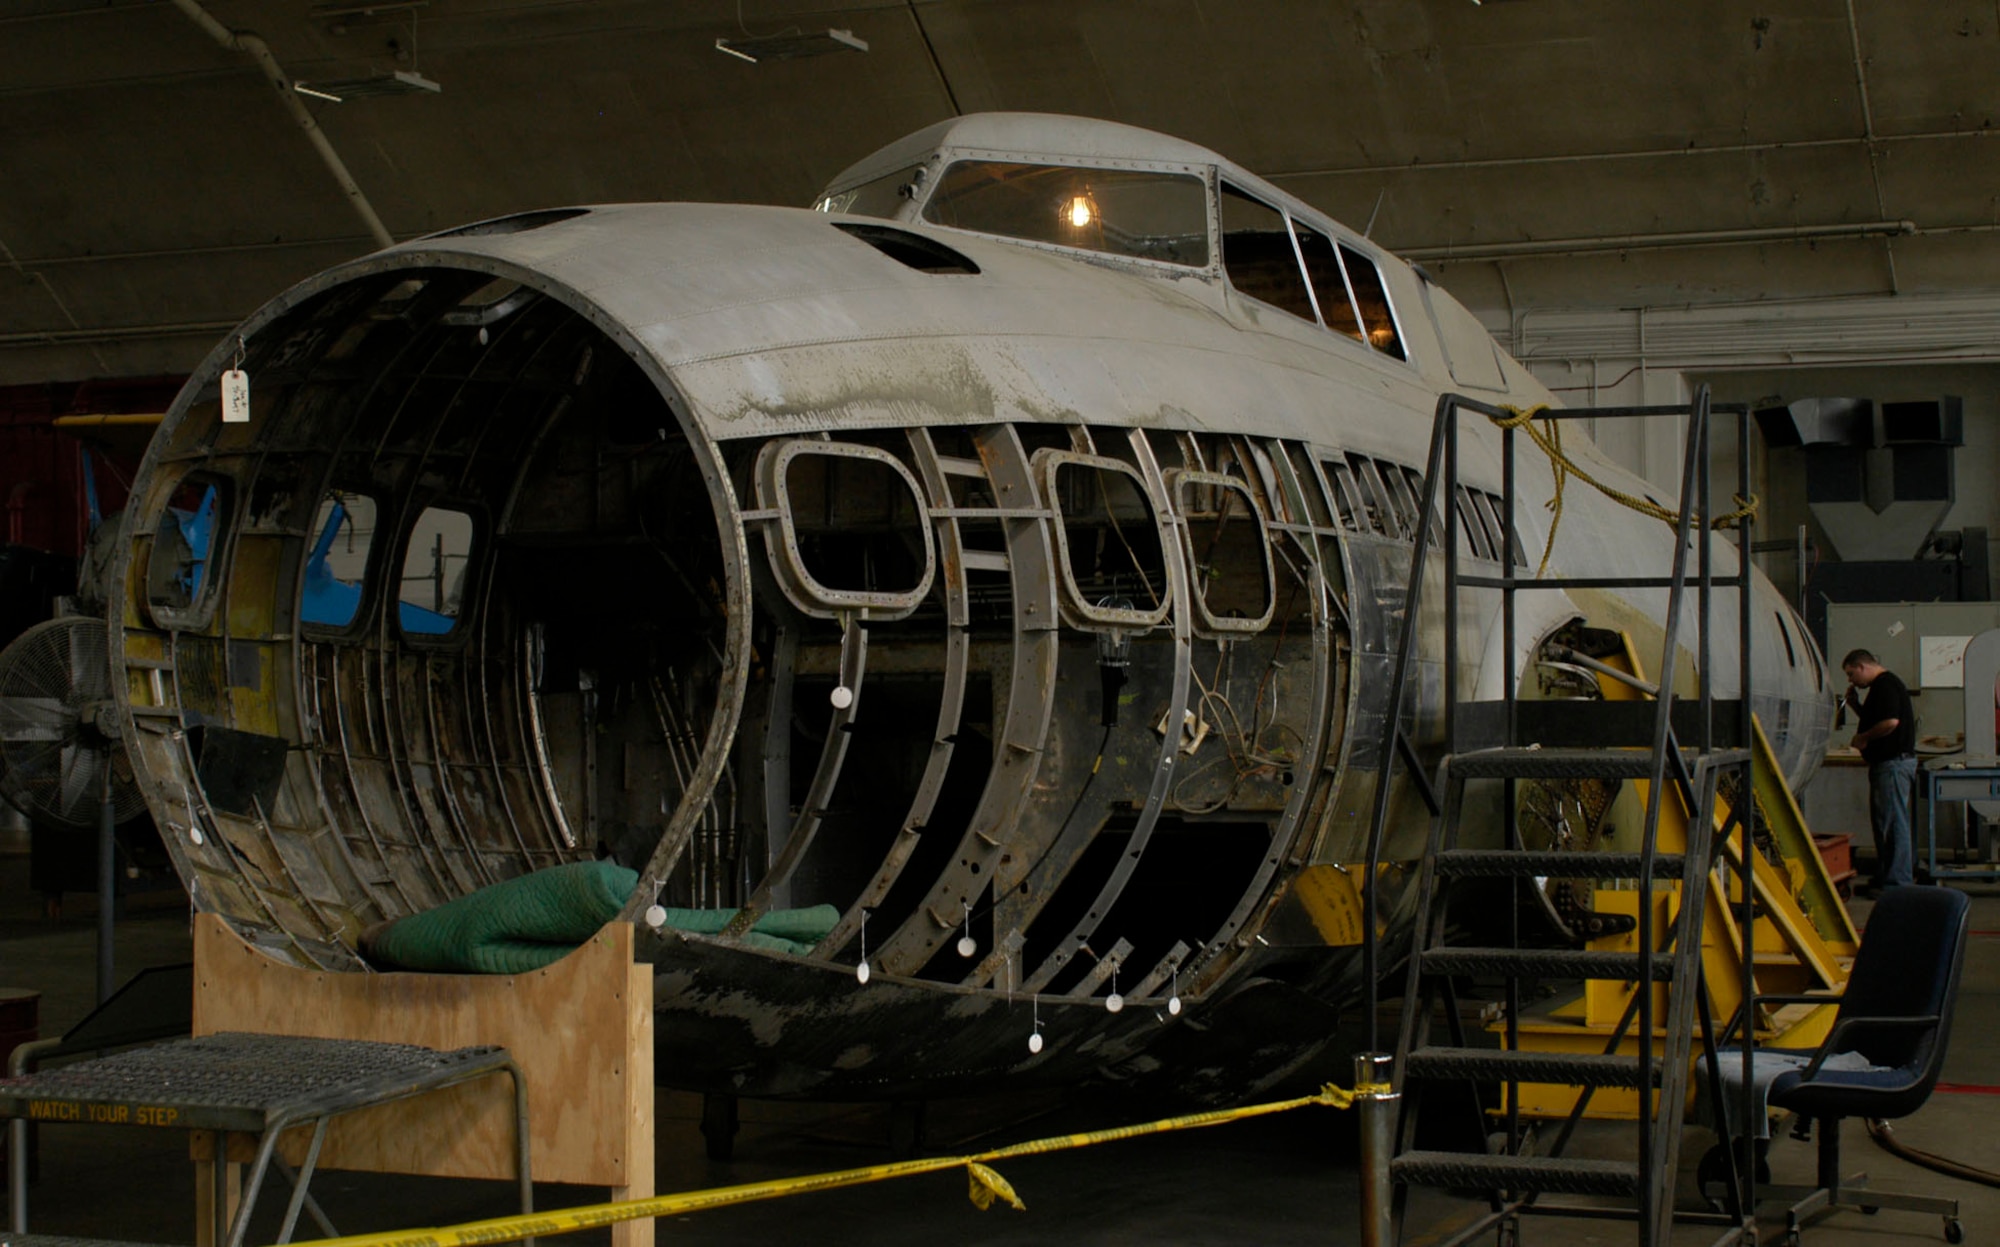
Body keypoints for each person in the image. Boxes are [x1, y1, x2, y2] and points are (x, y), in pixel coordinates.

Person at [1842, 649, 1917, 893]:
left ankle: (1898, 883)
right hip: (1887, 764)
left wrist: (1863, 738)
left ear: (1862, 666)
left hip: (1893, 765)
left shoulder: (1885, 685)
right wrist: (1855, 706)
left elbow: (1890, 722)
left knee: (1893, 824)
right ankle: (1888, 877)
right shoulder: (1881, 688)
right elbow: (1879, 718)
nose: (1852, 681)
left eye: (1852, 674)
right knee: (1885, 823)